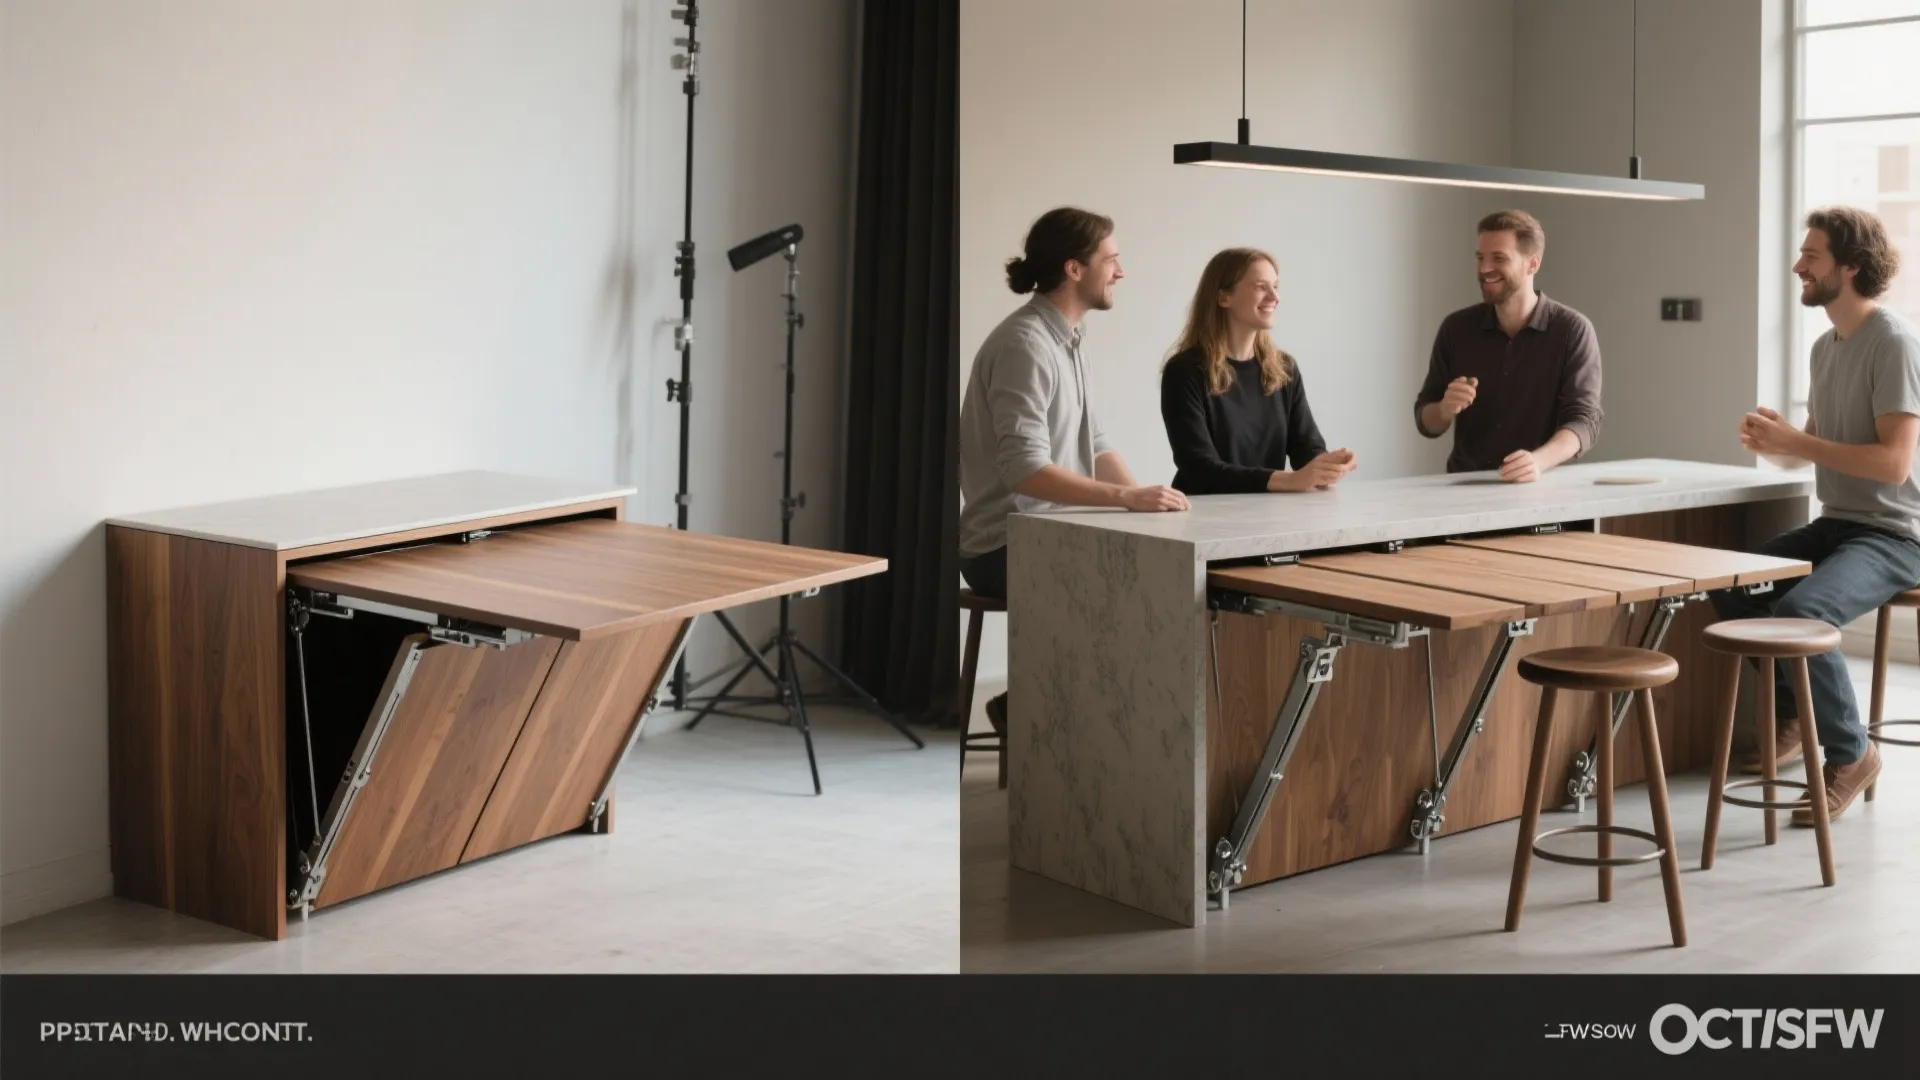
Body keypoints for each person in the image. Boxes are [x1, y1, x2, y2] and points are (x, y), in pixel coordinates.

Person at [1714, 205, 1920, 823]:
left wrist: (1797, 444)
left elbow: (1892, 465)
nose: (1798, 265)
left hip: (1894, 533)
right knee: (1731, 580)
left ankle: (1851, 755)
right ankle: (1791, 713)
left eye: (1812, 256)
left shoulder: (1895, 342)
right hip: (1839, 522)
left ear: (1851, 267)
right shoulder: (1826, 347)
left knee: (1804, 609)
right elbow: (1820, 447)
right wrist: (1779, 441)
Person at [958, 207, 1189, 734]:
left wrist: (1151, 504)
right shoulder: (1026, 345)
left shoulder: (1065, 339)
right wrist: (1126, 501)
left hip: (1046, 533)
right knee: (1145, 590)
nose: (1121, 271)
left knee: (1161, 569)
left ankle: (1039, 712)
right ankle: (1071, 730)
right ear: (1074, 269)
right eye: (1112, 259)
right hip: (1003, 546)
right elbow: (1026, 472)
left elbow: (1097, 442)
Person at [1413, 210, 1604, 481]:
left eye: (1498, 258)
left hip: (1540, 492)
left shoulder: (1572, 330)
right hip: (1465, 492)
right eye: (1480, 258)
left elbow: (1584, 421)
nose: (1484, 268)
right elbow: (1426, 422)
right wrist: (1445, 408)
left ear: (1532, 264)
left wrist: (1538, 461)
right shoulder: (1456, 328)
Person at [1159, 247, 1355, 494]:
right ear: (1223, 298)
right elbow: (1200, 469)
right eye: (1261, 286)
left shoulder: (1285, 370)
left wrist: (1326, 467)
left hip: (1265, 516)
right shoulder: (1184, 372)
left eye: (1276, 286)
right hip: (1203, 521)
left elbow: (1307, 448)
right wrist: (1289, 480)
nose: (1275, 297)